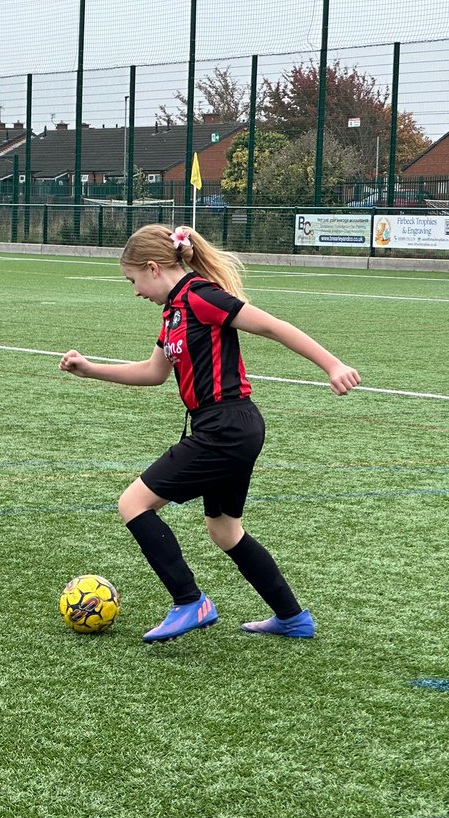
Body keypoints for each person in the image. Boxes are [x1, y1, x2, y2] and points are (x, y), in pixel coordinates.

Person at [59, 224, 360, 643]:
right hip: (226, 428)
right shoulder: (174, 312)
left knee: (133, 503)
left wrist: (332, 365)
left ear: (152, 267)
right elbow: (153, 373)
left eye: (133, 280)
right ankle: (292, 618)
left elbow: (271, 326)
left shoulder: (201, 296)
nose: (135, 291)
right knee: (224, 530)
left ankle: (189, 601)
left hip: (226, 428)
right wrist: (91, 369)